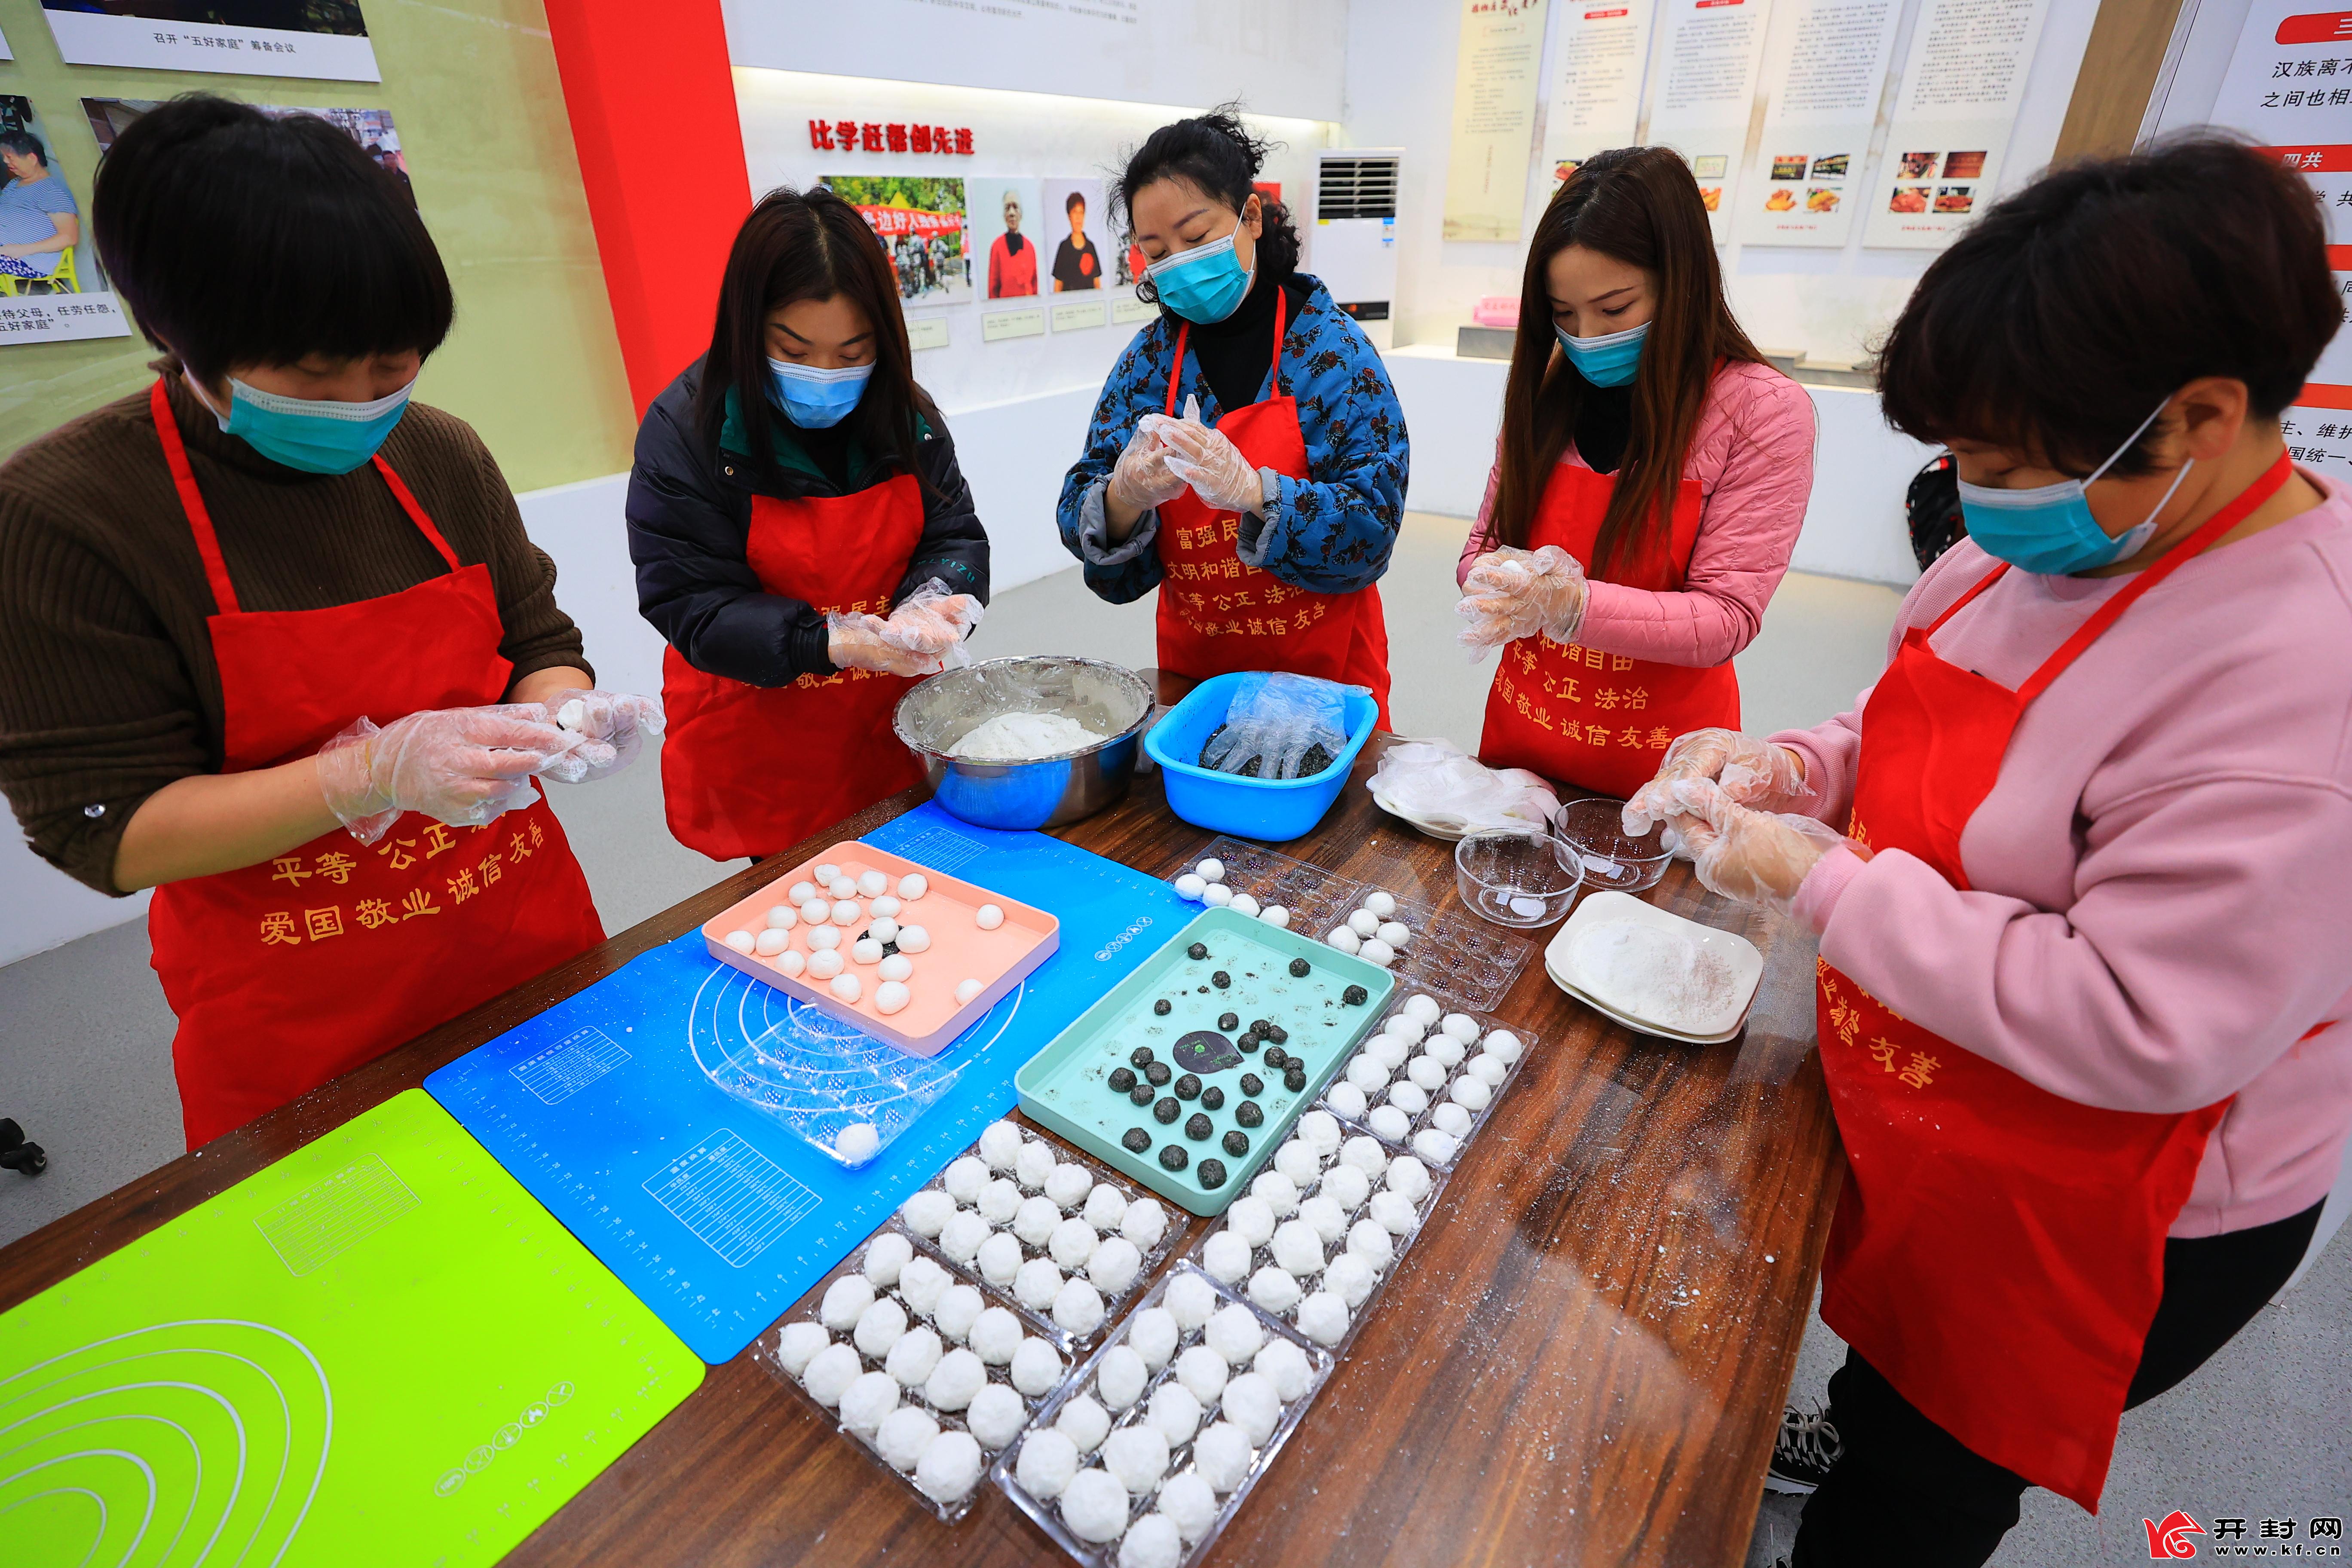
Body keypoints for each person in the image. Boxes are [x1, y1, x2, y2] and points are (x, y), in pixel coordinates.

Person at [1626, 138, 2350, 1566]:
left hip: (2117, 1189)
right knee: (1896, 1362)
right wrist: (1792, 765)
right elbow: (1907, 704)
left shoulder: (2291, 681)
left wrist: (1813, 874)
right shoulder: (2030, 547)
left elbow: (2144, 1022)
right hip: (1954, 1083)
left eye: (2005, 462)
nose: (1972, 496)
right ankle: (1872, 1409)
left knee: (1930, 1483)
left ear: (2199, 417)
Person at [0, 96, 654, 1148]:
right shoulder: (68, 514)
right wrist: (368, 776)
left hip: (516, 936)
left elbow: (534, 642)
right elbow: (102, 830)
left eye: (393, 366)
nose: (361, 401)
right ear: (174, 331)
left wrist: (566, 713)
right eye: (313, 374)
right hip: (300, 997)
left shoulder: (440, 454)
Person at [630, 186, 988, 862]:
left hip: (884, 726)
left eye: (853, 354)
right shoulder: (687, 429)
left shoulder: (906, 415)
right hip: (764, 739)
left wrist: (936, 598)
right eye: (794, 349)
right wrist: (827, 642)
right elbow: (692, 603)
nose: (826, 376)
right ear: (746, 326)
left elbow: (956, 535)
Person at [1455, 147, 1813, 799]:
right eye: (1563, 315)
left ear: (1683, 284)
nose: (1586, 336)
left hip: (1660, 769)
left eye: (1614, 310)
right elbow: (1479, 549)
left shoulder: (1760, 411)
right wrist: (1500, 584)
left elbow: (1728, 616)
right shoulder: (1547, 393)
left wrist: (1571, 604)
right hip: (1524, 746)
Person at [1057, 110, 1406, 723]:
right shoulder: (1150, 363)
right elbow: (1080, 509)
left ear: (1250, 217)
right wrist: (1124, 495)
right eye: (1157, 252)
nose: (1179, 264)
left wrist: (1254, 493)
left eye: (1195, 238)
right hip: (1198, 686)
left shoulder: (1330, 351)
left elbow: (1373, 523)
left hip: (1325, 686)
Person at [0, 129, 79, 283]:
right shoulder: (15, 183)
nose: (6, 162)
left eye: (10, 157)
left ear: (32, 158)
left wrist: (19, 250)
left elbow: (69, 237)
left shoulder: (53, 192)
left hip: (29, 259)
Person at [987, 188, 1036, 298]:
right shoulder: (997, 247)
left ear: (1021, 214)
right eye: (1007, 208)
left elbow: (1035, 286)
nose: (1012, 213)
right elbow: (993, 290)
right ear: (1004, 215)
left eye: (1015, 207)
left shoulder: (1030, 247)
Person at [1051, 188, 1101, 292]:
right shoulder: (1064, 247)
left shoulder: (1090, 246)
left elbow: (1097, 283)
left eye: (1081, 212)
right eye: (1075, 212)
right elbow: (1058, 285)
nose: (1078, 217)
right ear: (1069, 216)